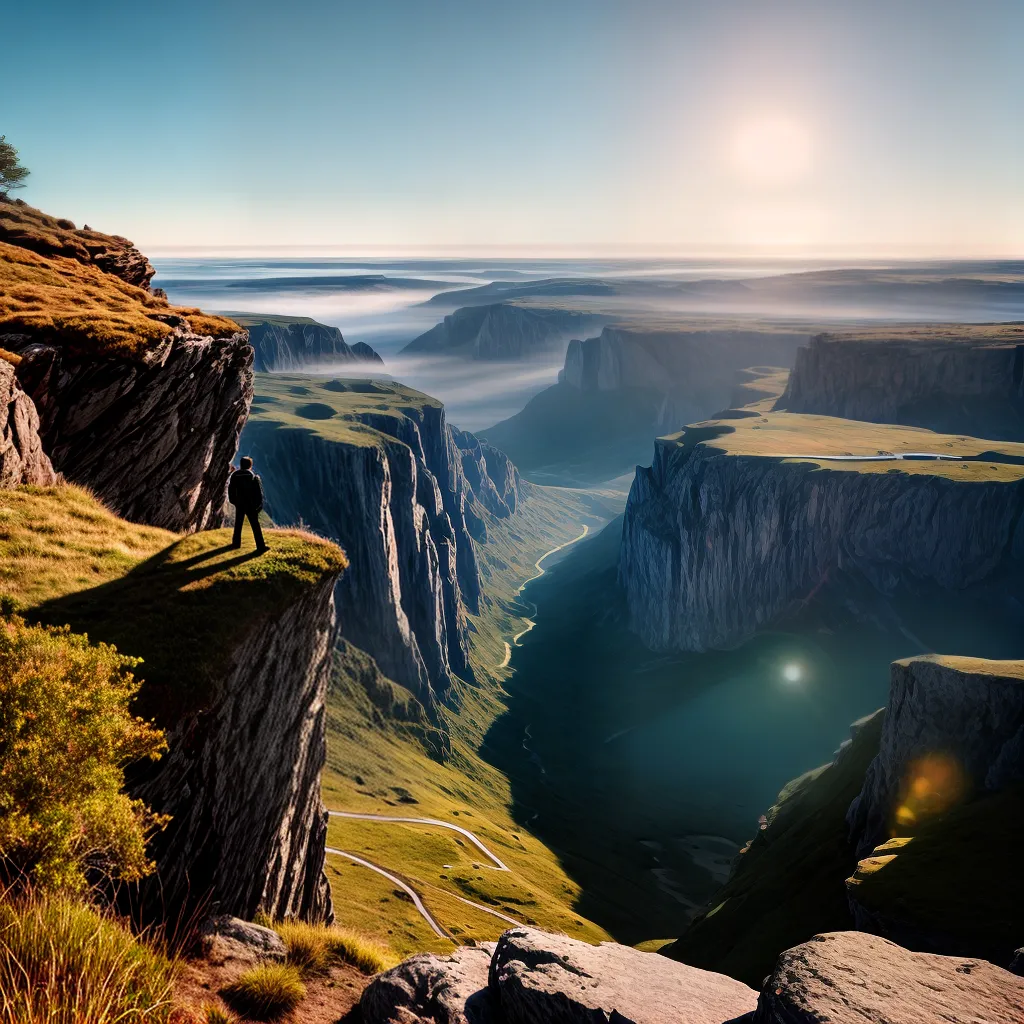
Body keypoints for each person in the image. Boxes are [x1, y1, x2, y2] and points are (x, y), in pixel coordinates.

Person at [228, 456, 268, 552]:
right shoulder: (252, 476)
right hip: (251, 504)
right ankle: (260, 546)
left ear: (241, 464)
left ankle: (236, 544)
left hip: (239, 503)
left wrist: (234, 501)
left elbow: (231, 489)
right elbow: (258, 492)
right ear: (250, 465)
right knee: (255, 525)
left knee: (238, 524)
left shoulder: (235, 475)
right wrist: (258, 506)